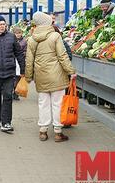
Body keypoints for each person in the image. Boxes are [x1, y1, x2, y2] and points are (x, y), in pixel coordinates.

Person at [25, 12, 76, 142]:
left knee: (43, 103)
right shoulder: (55, 36)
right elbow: (62, 56)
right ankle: (58, 132)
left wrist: (28, 76)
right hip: (57, 75)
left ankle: (43, 131)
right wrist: (71, 71)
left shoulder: (31, 39)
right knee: (57, 103)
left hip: (41, 76)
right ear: (48, 22)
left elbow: (29, 60)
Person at [12, 26, 27, 101]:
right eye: (16, 33)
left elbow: (26, 50)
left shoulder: (24, 41)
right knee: (13, 77)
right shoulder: (11, 40)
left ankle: (16, 93)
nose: (18, 35)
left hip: (20, 61)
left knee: (19, 77)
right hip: (13, 60)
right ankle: (13, 92)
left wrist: (22, 53)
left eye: (19, 33)